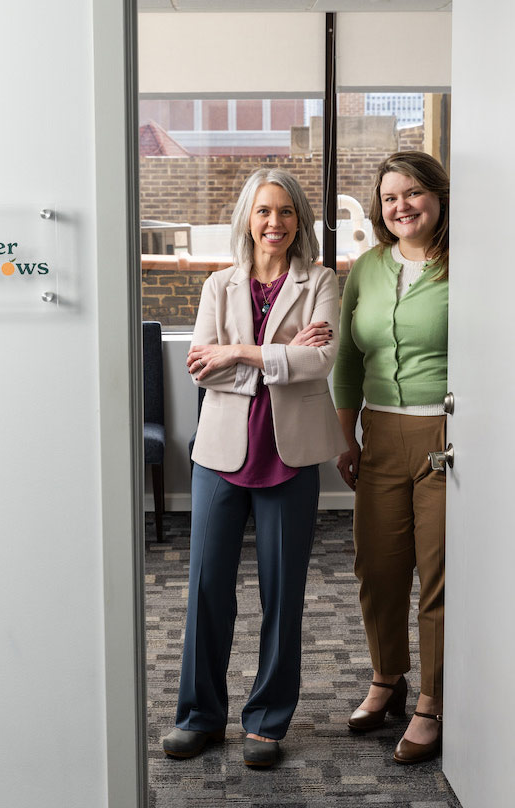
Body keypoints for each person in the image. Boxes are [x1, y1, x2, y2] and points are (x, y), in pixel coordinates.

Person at [162, 168, 346, 768]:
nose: (275, 223)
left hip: (287, 452)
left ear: (301, 222)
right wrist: (280, 358)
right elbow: (200, 367)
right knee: (207, 588)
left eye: (287, 212)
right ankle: (200, 716)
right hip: (219, 452)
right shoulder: (218, 285)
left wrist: (240, 352)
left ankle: (267, 721)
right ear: (247, 217)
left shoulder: (321, 281)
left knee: (283, 591)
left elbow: (319, 361)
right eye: (264, 211)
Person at [333, 151, 449, 765]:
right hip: (377, 433)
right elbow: (349, 361)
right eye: (388, 198)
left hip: (446, 439)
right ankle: (388, 677)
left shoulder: (470, 266)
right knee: (377, 568)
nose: (401, 206)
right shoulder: (368, 268)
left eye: (412, 193)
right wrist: (345, 434)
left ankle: (433, 697)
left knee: (437, 574)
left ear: (438, 195)